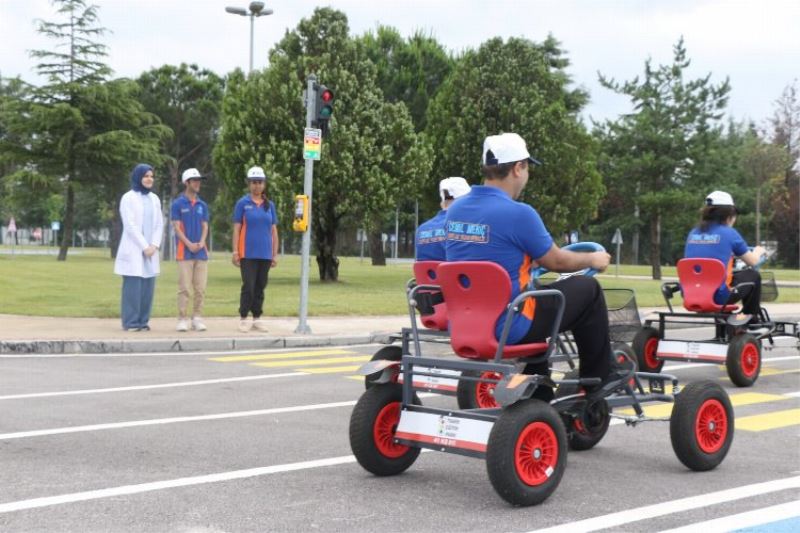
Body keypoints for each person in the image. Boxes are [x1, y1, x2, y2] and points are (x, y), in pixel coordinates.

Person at [445, 133, 625, 397]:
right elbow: (557, 260)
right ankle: (598, 379)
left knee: (539, 292)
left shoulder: (456, 209)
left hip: (464, 322)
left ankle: (537, 389)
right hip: (511, 324)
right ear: (518, 168)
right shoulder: (520, 214)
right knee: (588, 289)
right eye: (527, 167)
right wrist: (592, 259)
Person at [684, 190, 766, 321]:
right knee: (753, 276)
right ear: (729, 214)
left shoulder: (693, 232)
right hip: (718, 296)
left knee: (723, 280)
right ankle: (751, 319)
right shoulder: (730, 233)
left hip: (690, 294)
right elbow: (753, 261)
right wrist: (759, 251)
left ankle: (726, 326)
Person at [114, 163, 164, 331]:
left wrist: (154, 245)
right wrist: (144, 246)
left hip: (151, 250)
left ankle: (143, 321)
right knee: (133, 287)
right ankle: (131, 322)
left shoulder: (155, 199)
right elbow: (130, 225)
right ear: (138, 177)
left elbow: (159, 224)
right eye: (146, 176)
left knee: (148, 287)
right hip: (135, 248)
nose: (149, 179)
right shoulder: (128, 197)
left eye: (151, 176)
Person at [232, 166, 279, 333]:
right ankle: (244, 317)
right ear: (249, 184)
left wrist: (274, 253)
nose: (257, 186)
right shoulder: (242, 204)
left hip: (265, 254)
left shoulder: (269, 205)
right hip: (247, 252)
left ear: (264, 184)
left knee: (260, 286)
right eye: (254, 182)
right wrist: (235, 251)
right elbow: (237, 229)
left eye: (259, 182)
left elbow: (273, 230)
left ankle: (257, 318)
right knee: (249, 286)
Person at [171, 168, 210, 332]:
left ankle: (197, 317)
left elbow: (205, 226)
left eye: (199, 180)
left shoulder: (202, 205)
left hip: (201, 252)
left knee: (200, 288)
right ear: (186, 183)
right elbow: (177, 228)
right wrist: (188, 244)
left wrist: (201, 241)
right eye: (194, 180)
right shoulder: (178, 204)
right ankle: (182, 318)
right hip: (184, 252)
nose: (198, 183)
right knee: (185, 288)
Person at [415, 177, 471, 261]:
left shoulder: (421, 230)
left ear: (442, 202)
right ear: (464, 200)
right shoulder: (465, 228)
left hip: (428, 274)